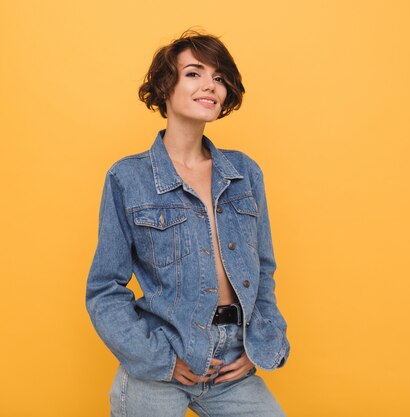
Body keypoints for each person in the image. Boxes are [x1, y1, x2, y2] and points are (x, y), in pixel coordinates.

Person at [86, 29, 290, 417]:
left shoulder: (244, 172)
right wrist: (158, 359)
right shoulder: (128, 178)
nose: (210, 86)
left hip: (232, 362)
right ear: (166, 86)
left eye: (219, 78)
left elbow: (262, 270)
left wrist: (261, 344)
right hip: (162, 361)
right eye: (194, 73)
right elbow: (104, 289)